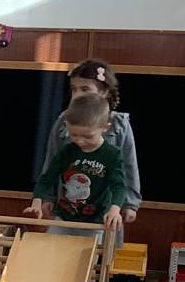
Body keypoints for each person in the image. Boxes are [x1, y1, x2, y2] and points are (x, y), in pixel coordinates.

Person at [40, 59, 140, 228]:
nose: (78, 95)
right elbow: (51, 160)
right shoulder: (64, 121)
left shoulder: (119, 124)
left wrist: (130, 204)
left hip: (105, 212)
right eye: (74, 89)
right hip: (68, 208)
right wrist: (47, 196)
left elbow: (129, 166)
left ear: (104, 91)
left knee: (101, 242)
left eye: (85, 89)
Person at [26, 95, 125, 234]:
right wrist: (37, 201)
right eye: (73, 135)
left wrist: (115, 209)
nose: (80, 141)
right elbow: (46, 179)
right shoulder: (67, 151)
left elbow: (119, 186)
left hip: (95, 223)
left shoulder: (112, 154)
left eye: (88, 136)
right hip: (63, 218)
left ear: (105, 127)